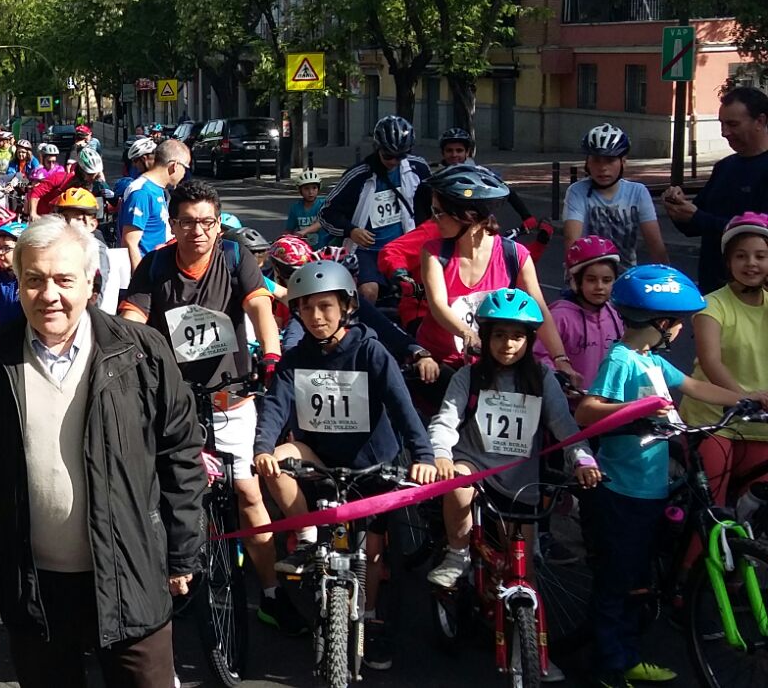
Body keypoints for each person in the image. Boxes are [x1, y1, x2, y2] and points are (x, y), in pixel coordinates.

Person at [0, 215, 204, 687]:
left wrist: (182, 553)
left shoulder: (141, 351)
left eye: (64, 279)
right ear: (18, 285)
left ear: (91, 283)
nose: (49, 295)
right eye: (34, 280)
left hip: (132, 574)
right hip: (35, 586)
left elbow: (180, 454)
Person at [117, 179, 296, 632]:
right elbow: (132, 318)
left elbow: (259, 308)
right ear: (173, 225)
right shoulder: (155, 266)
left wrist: (269, 355)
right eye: (187, 222)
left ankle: (272, 592)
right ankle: (169, 578)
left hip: (229, 394)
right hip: (172, 399)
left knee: (247, 490)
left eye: (207, 222)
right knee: (165, 491)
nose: (198, 231)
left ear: (218, 226)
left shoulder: (235, 259)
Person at [254, 260, 437, 671]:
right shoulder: (295, 358)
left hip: (372, 467)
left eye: (326, 307)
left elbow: (403, 408)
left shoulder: (370, 351)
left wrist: (423, 457)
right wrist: (263, 447)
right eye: (306, 309)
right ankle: (306, 537)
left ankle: (370, 617)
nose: (316, 318)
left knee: (371, 550)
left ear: (346, 308)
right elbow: (276, 407)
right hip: (322, 463)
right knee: (278, 462)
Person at [575, 264, 749, 688]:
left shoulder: (651, 361)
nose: (679, 331)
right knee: (618, 580)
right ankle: (609, 665)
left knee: (639, 580)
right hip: (624, 494)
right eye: (678, 323)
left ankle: (628, 653)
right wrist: (634, 412)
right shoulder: (621, 360)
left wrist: (747, 399)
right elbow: (586, 411)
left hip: (655, 489)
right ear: (661, 323)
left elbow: (693, 385)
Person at [424, 291, 600, 655]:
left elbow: (565, 427)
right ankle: (457, 554)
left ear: (529, 340)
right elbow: (446, 421)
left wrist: (583, 459)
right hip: (474, 466)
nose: (508, 344)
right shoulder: (468, 377)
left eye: (517, 337)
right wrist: (440, 454)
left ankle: (534, 653)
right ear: (485, 337)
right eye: (499, 335)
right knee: (458, 483)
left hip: (521, 483)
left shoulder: (542, 379)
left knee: (524, 575)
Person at [416, 164, 581, 390]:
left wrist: (561, 360)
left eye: (439, 213)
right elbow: (438, 305)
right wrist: (468, 335)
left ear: (468, 216)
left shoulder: (515, 255)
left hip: (491, 367)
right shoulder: (434, 252)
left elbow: (540, 310)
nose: (433, 220)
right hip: (439, 366)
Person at [680, 213, 768, 505]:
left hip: (760, 422)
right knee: (710, 509)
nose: (751, 264)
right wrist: (743, 398)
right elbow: (710, 362)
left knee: (757, 511)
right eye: (741, 256)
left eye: (760, 256)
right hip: (715, 419)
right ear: (728, 262)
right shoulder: (712, 306)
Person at [664, 85, 768, 293]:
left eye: (732, 124)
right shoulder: (725, 166)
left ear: (761, 121)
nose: (724, 132)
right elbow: (694, 226)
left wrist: (698, 217)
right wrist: (677, 208)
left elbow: (759, 231)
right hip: (714, 291)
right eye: (721, 124)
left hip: (757, 295)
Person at [320, 115, 431, 304]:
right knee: (368, 292)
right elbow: (326, 213)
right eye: (388, 155)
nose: (394, 161)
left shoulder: (418, 168)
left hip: (404, 248)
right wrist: (351, 230)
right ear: (377, 148)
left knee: (422, 291)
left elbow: (430, 206)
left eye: (400, 156)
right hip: (367, 251)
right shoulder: (358, 176)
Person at [564, 124, 668, 270]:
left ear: (623, 162)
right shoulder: (577, 191)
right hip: (588, 279)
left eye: (610, 160)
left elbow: (655, 244)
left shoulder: (638, 192)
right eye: (596, 160)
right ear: (587, 162)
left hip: (626, 279)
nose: (603, 168)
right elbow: (571, 240)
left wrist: (667, 278)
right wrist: (573, 275)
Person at [535, 236, 624, 383]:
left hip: (606, 403)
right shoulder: (559, 316)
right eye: (591, 279)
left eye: (607, 280)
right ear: (576, 281)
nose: (599, 286)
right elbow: (538, 355)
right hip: (567, 403)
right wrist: (560, 379)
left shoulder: (616, 315)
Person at [118, 139, 190, 269]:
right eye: (185, 167)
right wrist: (139, 281)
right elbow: (129, 241)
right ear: (175, 166)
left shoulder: (158, 189)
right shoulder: (142, 192)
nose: (185, 173)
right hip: (147, 274)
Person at [285, 170, 327, 249]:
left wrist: (304, 232)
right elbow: (289, 230)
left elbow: (320, 223)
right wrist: (283, 240)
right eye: (306, 189)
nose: (311, 192)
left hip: (324, 249)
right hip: (304, 250)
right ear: (300, 190)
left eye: (314, 188)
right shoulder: (296, 208)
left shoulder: (323, 204)